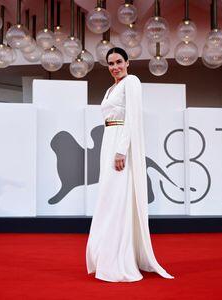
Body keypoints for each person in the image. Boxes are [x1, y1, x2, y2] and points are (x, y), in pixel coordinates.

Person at [86, 47, 173, 282]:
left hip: (119, 144)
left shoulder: (131, 82)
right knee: (108, 198)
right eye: (111, 63)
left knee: (117, 199)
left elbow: (133, 117)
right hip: (108, 140)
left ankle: (118, 259)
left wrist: (121, 150)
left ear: (127, 62)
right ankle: (107, 255)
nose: (115, 67)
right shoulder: (110, 88)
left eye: (118, 62)